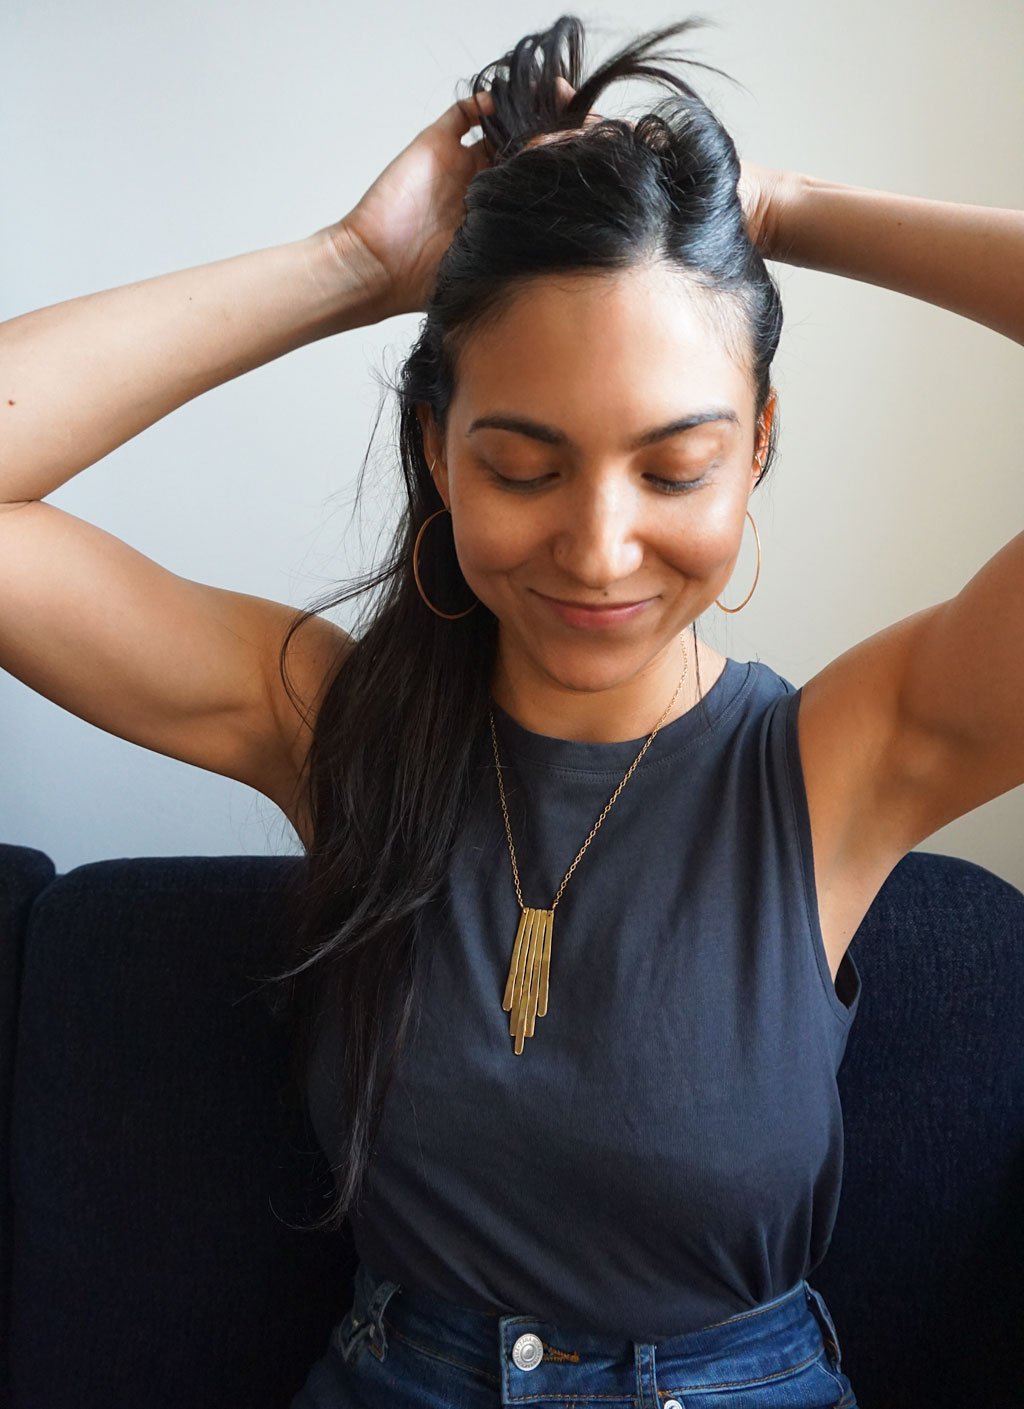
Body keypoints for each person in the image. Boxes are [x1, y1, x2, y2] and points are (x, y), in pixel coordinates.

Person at [3, 12, 1022, 1408]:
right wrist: (351, 266)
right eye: (525, 467)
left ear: (759, 448)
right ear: (439, 447)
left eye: (675, 470)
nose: (599, 549)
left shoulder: (843, 761)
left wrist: (777, 210)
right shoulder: (339, 728)